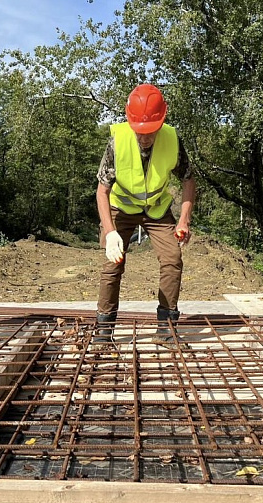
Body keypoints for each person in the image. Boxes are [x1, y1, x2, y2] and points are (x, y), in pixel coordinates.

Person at [94, 83, 196, 347]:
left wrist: (184, 219)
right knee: (112, 263)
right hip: (121, 207)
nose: (145, 137)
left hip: (157, 209)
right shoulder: (117, 141)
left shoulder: (172, 139)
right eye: (140, 131)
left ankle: (166, 329)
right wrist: (110, 230)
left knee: (173, 258)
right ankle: (104, 333)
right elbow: (102, 191)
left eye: (151, 131)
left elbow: (188, 179)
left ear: (162, 120)